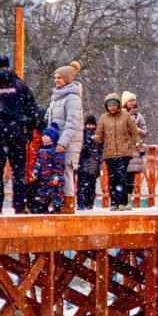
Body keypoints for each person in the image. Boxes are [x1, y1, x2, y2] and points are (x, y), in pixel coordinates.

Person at [0, 54, 41, 214]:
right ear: (7, 66)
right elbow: (33, 111)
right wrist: (29, 131)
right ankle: (19, 205)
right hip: (17, 132)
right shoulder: (19, 85)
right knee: (18, 170)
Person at [45, 60, 84, 214]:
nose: (56, 80)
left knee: (67, 170)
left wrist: (63, 142)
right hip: (56, 140)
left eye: (59, 78)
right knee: (57, 171)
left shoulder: (72, 98)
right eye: (55, 78)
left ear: (67, 79)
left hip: (67, 141)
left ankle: (68, 203)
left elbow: (72, 123)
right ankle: (58, 202)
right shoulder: (57, 97)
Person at [96, 92, 140, 210]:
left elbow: (134, 131)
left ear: (119, 105)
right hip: (109, 153)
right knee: (112, 178)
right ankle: (114, 202)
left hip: (124, 152)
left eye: (115, 105)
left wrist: (138, 142)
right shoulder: (103, 118)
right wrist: (95, 139)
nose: (112, 108)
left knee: (121, 176)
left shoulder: (125, 115)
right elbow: (99, 134)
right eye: (110, 106)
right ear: (106, 107)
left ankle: (123, 202)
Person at [28, 123, 66, 214]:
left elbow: (59, 165)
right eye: (43, 135)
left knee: (55, 193)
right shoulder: (41, 150)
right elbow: (38, 164)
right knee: (42, 193)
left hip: (53, 177)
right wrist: (35, 173)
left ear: (52, 139)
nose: (44, 137)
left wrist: (57, 175)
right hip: (43, 178)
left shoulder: (56, 151)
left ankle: (57, 207)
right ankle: (43, 207)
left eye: (47, 136)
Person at [122, 91, 147, 207]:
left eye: (133, 100)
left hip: (135, 149)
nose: (132, 103)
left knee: (130, 175)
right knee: (121, 174)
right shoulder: (120, 114)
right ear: (125, 102)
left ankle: (128, 199)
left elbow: (145, 131)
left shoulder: (139, 116)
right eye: (130, 100)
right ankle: (120, 200)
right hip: (122, 148)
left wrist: (136, 129)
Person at [77, 114, 102, 210]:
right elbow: (80, 147)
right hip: (83, 162)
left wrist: (99, 159)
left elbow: (101, 149)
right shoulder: (81, 134)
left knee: (91, 185)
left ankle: (89, 203)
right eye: (88, 125)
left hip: (93, 163)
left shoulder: (97, 135)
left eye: (92, 125)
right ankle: (81, 203)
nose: (90, 127)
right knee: (81, 184)